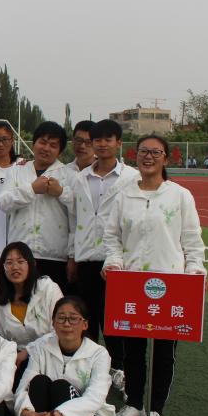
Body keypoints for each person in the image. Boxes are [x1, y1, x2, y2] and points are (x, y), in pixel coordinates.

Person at [103, 134, 207, 416]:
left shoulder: (180, 195)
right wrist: (114, 262)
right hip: (131, 283)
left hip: (170, 284)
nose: (148, 157)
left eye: (155, 152)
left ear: (166, 158)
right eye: (143, 151)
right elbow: (112, 237)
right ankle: (135, 404)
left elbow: (192, 239)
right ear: (135, 155)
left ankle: (155, 409)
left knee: (164, 352)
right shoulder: (124, 196)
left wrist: (196, 270)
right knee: (133, 349)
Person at [13, 296, 115, 416]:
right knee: (38, 381)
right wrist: (26, 413)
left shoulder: (98, 354)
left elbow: (95, 398)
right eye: (61, 318)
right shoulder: (42, 346)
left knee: (60, 386)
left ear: (85, 324)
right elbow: (24, 386)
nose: (67, 324)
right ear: (53, 323)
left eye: (73, 318)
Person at [67, 119, 140, 355]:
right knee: (87, 321)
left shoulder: (132, 177)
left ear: (118, 143)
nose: (102, 144)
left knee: (116, 323)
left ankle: (118, 367)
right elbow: (74, 219)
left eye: (108, 139)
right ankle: (88, 366)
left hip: (117, 262)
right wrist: (72, 256)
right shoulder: (81, 178)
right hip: (87, 259)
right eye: (97, 140)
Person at [0, 121, 73, 290]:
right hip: (20, 255)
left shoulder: (69, 174)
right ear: (34, 143)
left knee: (51, 301)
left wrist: (61, 192)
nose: (46, 148)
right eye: (42, 142)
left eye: (53, 145)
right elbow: (3, 203)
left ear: (60, 150)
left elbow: (78, 211)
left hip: (54, 256)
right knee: (19, 300)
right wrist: (31, 189)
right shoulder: (16, 171)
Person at [0, 242, 63, 387]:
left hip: (51, 354)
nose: (15, 267)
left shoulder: (48, 288)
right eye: (9, 263)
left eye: (20, 261)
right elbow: (1, 339)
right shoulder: (0, 301)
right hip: (17, 360)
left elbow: (59, 330)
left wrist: (28, 351)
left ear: (32, 264)